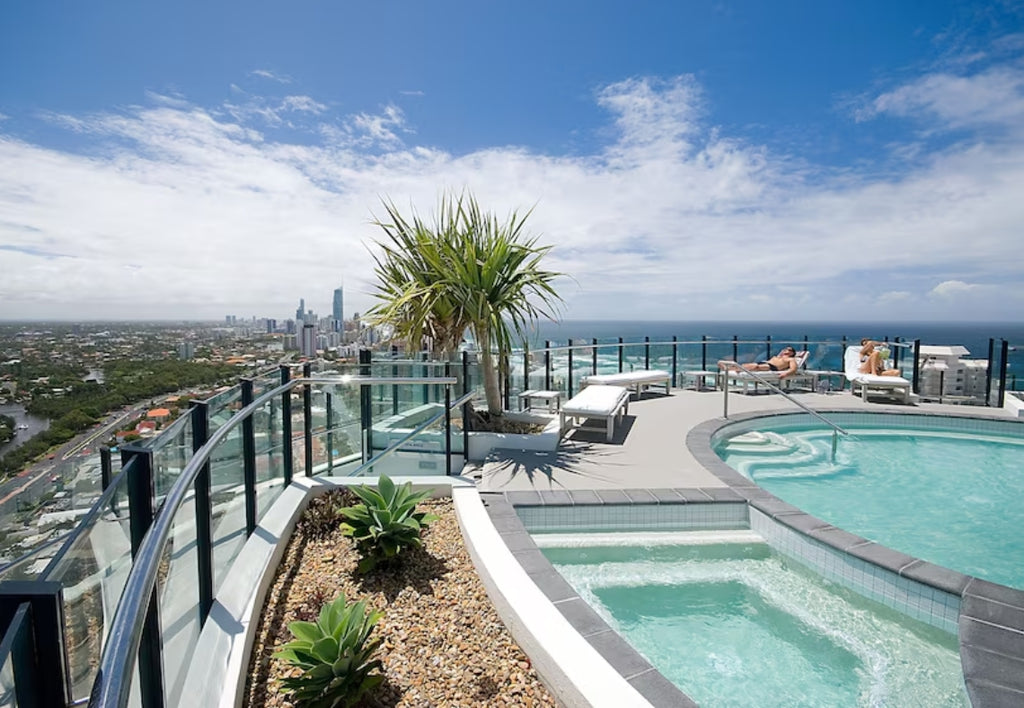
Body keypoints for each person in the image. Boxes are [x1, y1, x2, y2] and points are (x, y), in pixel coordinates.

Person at [718, 346, 800, 379]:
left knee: (756, 367)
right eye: (785, 349)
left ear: (792, 353)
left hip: (772, 367)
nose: (785, 350)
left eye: (788, 350)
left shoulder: (791, 359)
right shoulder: (778, 356)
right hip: (764, 363)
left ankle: (729, 368)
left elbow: (794, 369)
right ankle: (729, 368)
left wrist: (785, 374)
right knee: (748, 365)